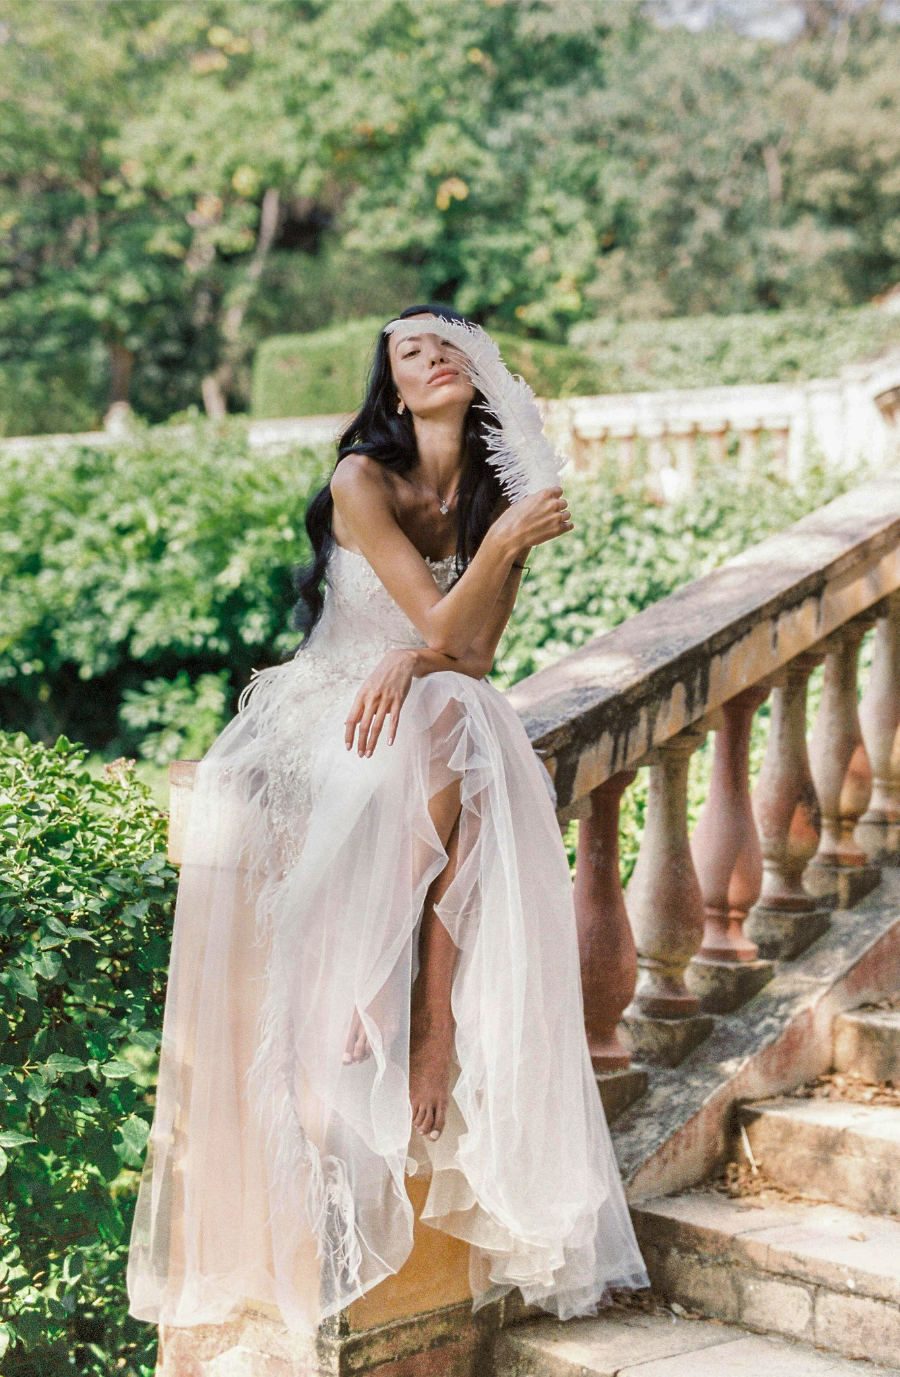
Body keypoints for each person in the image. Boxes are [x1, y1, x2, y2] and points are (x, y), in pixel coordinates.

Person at [126, 304, 648, 1337]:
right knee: (454, 719)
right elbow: (439, 626)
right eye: (413, 350)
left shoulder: (500, 490)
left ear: (480, 372)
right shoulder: (359, 481)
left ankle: (431, 1012)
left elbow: (475, 653)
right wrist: (460, 598)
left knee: (466, 716)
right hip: (331, 703)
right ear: (395, 388)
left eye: (453, 343)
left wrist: (449, 614)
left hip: (417, 701)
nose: (436, 357)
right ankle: (403, 1003)